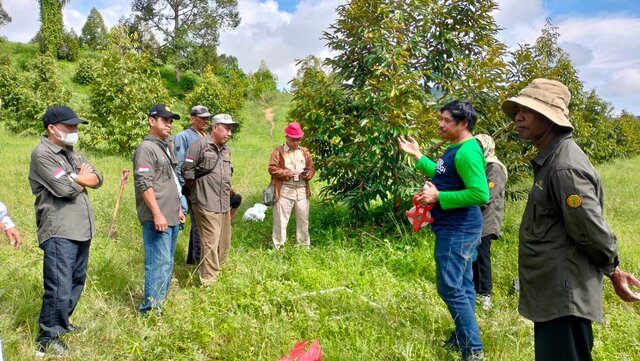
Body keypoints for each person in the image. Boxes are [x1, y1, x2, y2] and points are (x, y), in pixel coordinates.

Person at [501, 78, 640, 360]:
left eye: (528, 110)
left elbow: (588, 228)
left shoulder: (564, 167)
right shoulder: (552, 159)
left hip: (564, 295)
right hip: (556, 292)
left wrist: (613, 269)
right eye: (518, 109)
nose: (518, 116)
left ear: (551, 118)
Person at [398, 100, 489, 361]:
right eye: (441, 118)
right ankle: (463, 338)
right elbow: (442, 176)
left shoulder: (467, 152)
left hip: (459, 227)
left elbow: (480, 193)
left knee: (450, 287)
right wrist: (417, 155)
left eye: (446, 120)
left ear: (463, 123)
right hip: (456, 225)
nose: (440, 124)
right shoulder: (455, 148)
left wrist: (439, 197)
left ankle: (473, 351)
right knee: (463, 284)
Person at [29, 105, 103, 356]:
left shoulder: (72, 152)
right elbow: (64, 190)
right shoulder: (42, 154)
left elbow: (98, 178)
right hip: (59, 228)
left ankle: (62, 323)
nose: (74, 130)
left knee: (75, 280)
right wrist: (78, 180)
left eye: (75, 126)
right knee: (58, 286)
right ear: (52, 128)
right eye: (69, 126)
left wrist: (74, 177)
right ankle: (47, 338)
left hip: (81, 228)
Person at [133, 104, 185, 314]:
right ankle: (151, 310)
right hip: (158, 218)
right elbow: (144, 184)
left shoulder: (164, 146)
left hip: (170, 214)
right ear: (151, 121)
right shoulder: (146, 149)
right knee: (157, 263)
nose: (169, 124)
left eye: (171, 121)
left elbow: (171, 182)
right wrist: (157, 213)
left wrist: (178, 210)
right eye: (164, 120)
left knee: (167, 262)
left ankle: (159, 304)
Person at [182, 113, 238, 286]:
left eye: (231, 130)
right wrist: (198, 192)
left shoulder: (226, 150)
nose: (229, 133)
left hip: (223, 203)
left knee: (224, 241)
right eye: (226, 129)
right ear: (215, 127)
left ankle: (218, 271)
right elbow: (187, 172)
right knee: (210, 242)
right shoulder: (199, 146)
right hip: (205, 203)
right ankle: (208, 280)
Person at [472, 134, 507, 312]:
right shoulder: (481, 166)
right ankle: (475, 291)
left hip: (486, 220)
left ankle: (485, 295)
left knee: (482, 258)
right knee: (474, 258)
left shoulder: (494, 168)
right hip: (476, 219)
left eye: (479, 146)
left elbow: (486, 197)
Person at [268, 122, 316, 250]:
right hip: (284, 190)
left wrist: (308, 175)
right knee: (280, 221)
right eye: (293, 139)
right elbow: (272, 169)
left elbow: (312, 169)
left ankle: (304, 246)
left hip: (301, 191)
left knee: (303, 221)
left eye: (298, 139)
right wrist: (289, 173)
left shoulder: (305, 152)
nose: (296, 142)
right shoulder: (278, 152)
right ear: (287, 137)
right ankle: (278, 247)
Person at [174, 105, 210, 266]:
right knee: (189, 223)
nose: (205, 121)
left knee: (199, 223)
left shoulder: (206, 136)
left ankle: (193, 259)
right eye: (202, 118)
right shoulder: (184, 137)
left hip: (204, 188)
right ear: (192, 118)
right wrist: (185, 189)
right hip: (190, 188)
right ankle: (192, 260)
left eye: (207, 118)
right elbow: (180, 164)